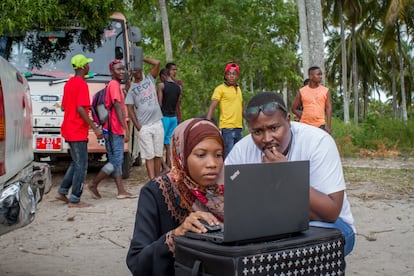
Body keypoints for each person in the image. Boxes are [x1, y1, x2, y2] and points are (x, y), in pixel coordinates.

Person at [226, 92, 355, 256]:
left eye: (274, 128)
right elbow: (227, 197)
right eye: (257, 131)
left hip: (330, 226)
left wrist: (286, 175)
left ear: (288, 121)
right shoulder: (241, 150)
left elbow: (330, 212)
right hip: (271, 226)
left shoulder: (318, 142)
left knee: (287, 255)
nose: (267, 138)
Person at [126, 118, 225, 275]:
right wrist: (177, 235)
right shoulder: (156, 192)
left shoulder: (228, 190)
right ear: (181, 154)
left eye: (218, 155)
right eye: (201, 154)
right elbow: (137, 263)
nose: (212, 163)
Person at [55, 54, 103, 208]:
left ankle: (62, 191)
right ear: (83, 67)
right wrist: (94, 127)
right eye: (87, 64)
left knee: (76, 162)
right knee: (82, 165)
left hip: (68, 128)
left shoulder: (69, 83)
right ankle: (75, 199)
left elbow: (63, 106)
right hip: (77, 130)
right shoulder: (81, 84)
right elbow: (81, 108)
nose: (89, 66)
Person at [87, 59, 135, 200]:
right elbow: (117, 106)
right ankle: (94, 184)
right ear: (111, 71)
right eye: (118, 69)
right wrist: (125, 128)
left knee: (116, 160)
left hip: (110, 128)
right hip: (114, 128)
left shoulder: (114, 85)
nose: (121, 72)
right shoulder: (114, 85)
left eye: (122, 69)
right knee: (116, 160)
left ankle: (121, 191)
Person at [125, 57, 164, 179]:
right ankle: (152, 181)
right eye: (134, 70)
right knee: (149, 155)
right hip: (145, 126)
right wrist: (138, 126)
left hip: (157, 122)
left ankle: (158, 179)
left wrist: (140, 58)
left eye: (138, 69)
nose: (137, 71)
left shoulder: (150, 79)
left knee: (158, 154)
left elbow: (157, 62)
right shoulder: (131, 89)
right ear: (132, 73)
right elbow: (130, 108)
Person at [206, 62, 243, 157]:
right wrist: (207, 123)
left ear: (237, 76)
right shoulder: (220, 89)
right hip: (227, 128)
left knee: (239, 155)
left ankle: (239, 172)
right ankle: (226, 172)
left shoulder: (238, 89)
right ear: (225, 75)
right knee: (229, 155)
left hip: (239, 127)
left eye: (234, 74)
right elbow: (213, 105)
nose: (231, 76)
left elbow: (240, 107)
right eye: (229, 74)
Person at [291, 66, 332, 134]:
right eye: (318, 74)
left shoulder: (326, 91)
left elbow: (328, 108)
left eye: (321, 74)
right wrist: (304, 115)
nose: (321, 76)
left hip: (320, 125)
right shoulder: (302, 91)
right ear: (310, 76)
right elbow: (293, 109)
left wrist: (329, 127)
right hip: (304, 125)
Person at [157, 68, 182, 169]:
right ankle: (169, 165)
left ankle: (163, 166)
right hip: (173, 118)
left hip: (164, 117)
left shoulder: (161, 85)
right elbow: (178, 103)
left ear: (163, 75)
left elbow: (160, 103)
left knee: (158, 143)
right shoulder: (178, 87)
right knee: (169, 144)